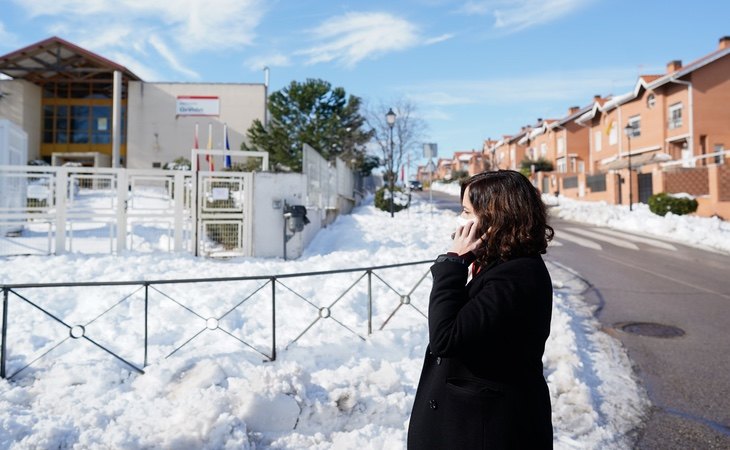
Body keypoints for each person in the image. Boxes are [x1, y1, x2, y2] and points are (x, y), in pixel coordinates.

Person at [407, 170, 555, 449]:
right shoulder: (498, 262)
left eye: (466, 211)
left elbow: (445, 338)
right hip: (475, 423)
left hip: (486, 431)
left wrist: (452, 263)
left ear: (495, 216)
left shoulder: (516, 275)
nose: (460, 220)